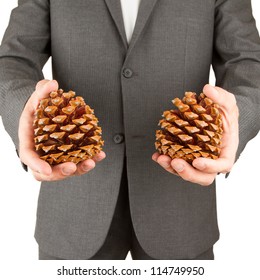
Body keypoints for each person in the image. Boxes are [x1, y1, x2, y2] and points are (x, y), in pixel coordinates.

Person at [0, 0, 259, 260]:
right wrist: (25, 112)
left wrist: (235, 121)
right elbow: (14, 59)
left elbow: (248, 62)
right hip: (73, 208)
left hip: (179, 208)